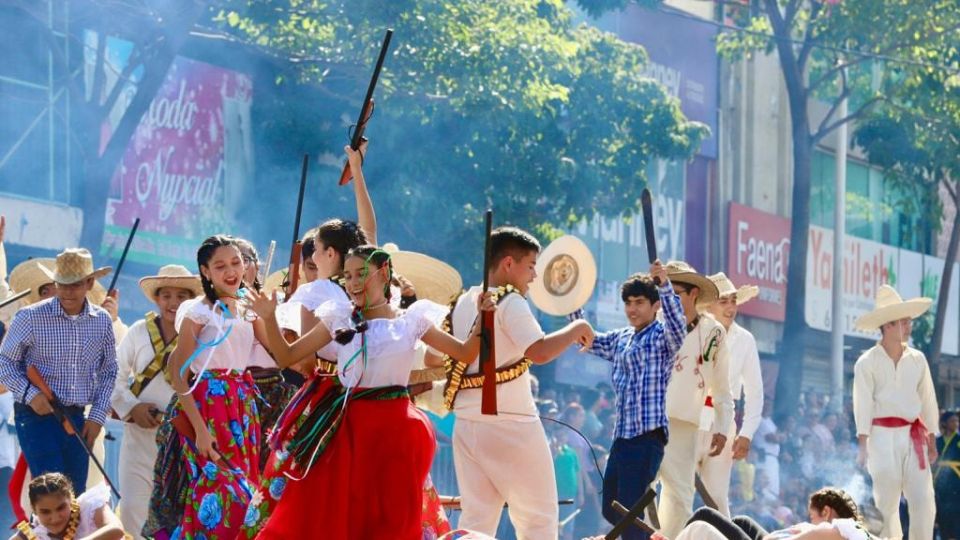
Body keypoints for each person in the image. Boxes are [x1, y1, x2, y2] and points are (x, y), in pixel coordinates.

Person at [242, 245, 492, 539]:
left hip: (397, 433)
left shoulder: (412, 320)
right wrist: (269, 318)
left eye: (361, 274)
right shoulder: (339, 318)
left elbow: (464, 353)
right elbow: (286, 357)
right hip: (347, 434)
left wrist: (482, 318)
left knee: (393, 519)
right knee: (338, 516)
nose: (353, 282)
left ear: (383, 273)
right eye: (347, 276)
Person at [442, 227, 594, 540]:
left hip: (468, 424)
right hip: (510, 423)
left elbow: (437, 360)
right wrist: (577, 326)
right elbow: (538, 352)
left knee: (476, 522)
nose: (535, 276)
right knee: (538, 519)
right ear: (508, 264)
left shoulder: (460, 303)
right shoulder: (509, 301)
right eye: (530, 266)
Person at [165, 235, 265, 540]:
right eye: (220, 266)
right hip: (209, 407)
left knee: (246, 496)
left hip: (243, 406)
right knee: (218, 495)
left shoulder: (250, 309)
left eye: (236, 262)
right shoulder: (199, 311)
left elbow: (281, 352)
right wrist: (200, 430)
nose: (230, 271)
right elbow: (176, 371)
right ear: (206, 272)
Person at [577, 264, 684, 540]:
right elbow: (588, 340)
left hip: (647, 435)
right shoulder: (621, 337)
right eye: (628, 303)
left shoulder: (663, 336)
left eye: (639, 302)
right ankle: (648, 534)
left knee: (627, 510)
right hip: (622, 435)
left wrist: (665, 286)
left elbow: (677, 327)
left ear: (655, 305)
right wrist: (571, 302)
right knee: (611, 507)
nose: (632, 308)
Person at [0, 249, 118, 493]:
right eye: (61, 284)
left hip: (77, 417)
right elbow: (5, 363)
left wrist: (96, 417)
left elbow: (108, 372)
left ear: (89, 283)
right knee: (50, 493)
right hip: (35, 415)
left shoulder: (102, 320)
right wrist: (30, 395)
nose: (66, 292)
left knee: (76, 496)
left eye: (74, 285)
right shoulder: (30, 316)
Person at [110, 264, 201, 539]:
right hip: (138, 438)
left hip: (181, 440)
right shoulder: (138, 331)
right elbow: (113, 376)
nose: (173, 303)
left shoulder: (201, 335)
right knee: (132, 512)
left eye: (181, 296)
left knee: (175, 513)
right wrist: (132, 408)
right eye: (167, 296)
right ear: (157, 299)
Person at [852, 284, 938, 540]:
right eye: (904, 322)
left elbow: (928, 400)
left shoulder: (918, 359)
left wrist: (932, 438)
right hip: (881, 437)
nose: (909, 327)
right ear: (888, 325)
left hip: (914, 436)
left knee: (924, 499)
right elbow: (862, 404)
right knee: (885, 502)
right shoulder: (866, 362)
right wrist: (863, 444)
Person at [657, 261, 733, 540]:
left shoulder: (714, 333)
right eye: (663, 290)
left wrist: (723, 428)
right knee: (636, 492)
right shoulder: (653, 324)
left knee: (679, 498)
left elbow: (723, 389)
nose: (668, 298)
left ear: (693, 295)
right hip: (648, 420)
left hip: (685, 425)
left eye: (675, 292)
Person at [697, 273, 764, 517]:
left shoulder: (745, 340)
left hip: (723, 421)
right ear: (709, 305)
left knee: (717, 498)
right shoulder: (695, 331)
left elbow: (755, 391)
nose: (730, 307)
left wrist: (746, 434)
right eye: (723, 301)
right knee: (676, 491)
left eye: (733, 300)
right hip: (690, 416)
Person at [235, 238, 297, 468]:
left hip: (270, 394)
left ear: (256, 267)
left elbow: (281, 352)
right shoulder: (212, 307)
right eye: (230, 262)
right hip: (230, 396)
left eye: (244, 260)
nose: (238, 268)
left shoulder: (278, 303)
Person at [646, 487, 874, 540]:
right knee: (740, 521)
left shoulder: (843, 529)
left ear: (826, 511)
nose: (810, 520)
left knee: (705, 515)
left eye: (812, 516)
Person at [10, 473, 124, 540]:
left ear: (71, 500)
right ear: (34, 510)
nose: (55, 518)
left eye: (61, 508)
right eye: (45, 512)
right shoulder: (34, 532)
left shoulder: (89, 507)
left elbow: (116, 529)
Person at [936, 410, 960, 539]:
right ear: (945, 423)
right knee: (942, 520)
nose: (956, 423)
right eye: (952, 420)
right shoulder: (937, 441)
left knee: (957, 521)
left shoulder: (958, 440)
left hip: (956, 483)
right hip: (940, 484)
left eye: (957, 421)